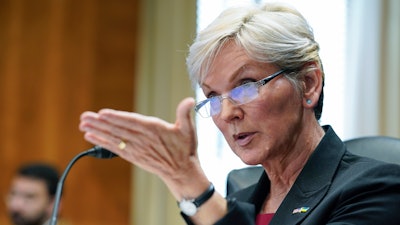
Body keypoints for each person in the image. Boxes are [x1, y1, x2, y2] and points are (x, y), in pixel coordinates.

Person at [79, 2, 400, 225]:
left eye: (246, 86)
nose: (227, 112)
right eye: (213, 97)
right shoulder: (240, 198)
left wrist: (190, 184)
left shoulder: (378, 189)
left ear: (308, 83)